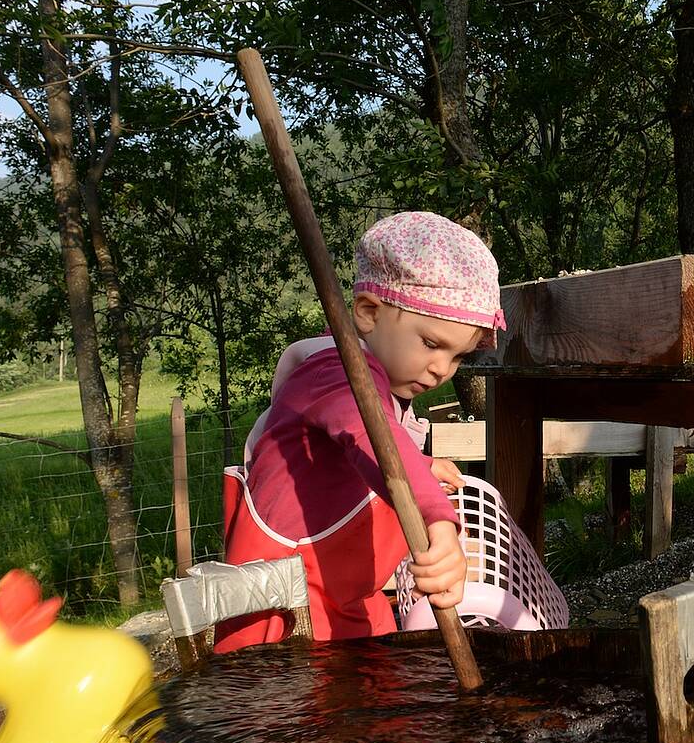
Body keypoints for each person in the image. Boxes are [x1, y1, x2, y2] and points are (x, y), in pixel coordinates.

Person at [213, 211, 503, 652]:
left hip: (346, 598)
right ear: (369, 312)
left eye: (459, 357)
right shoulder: (337, 372)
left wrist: (422, 466)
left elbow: (351, 456)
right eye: (431, 344)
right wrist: (439, 520)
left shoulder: (379, 385)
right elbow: (371, 438)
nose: (442, 369)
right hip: (286, 617)